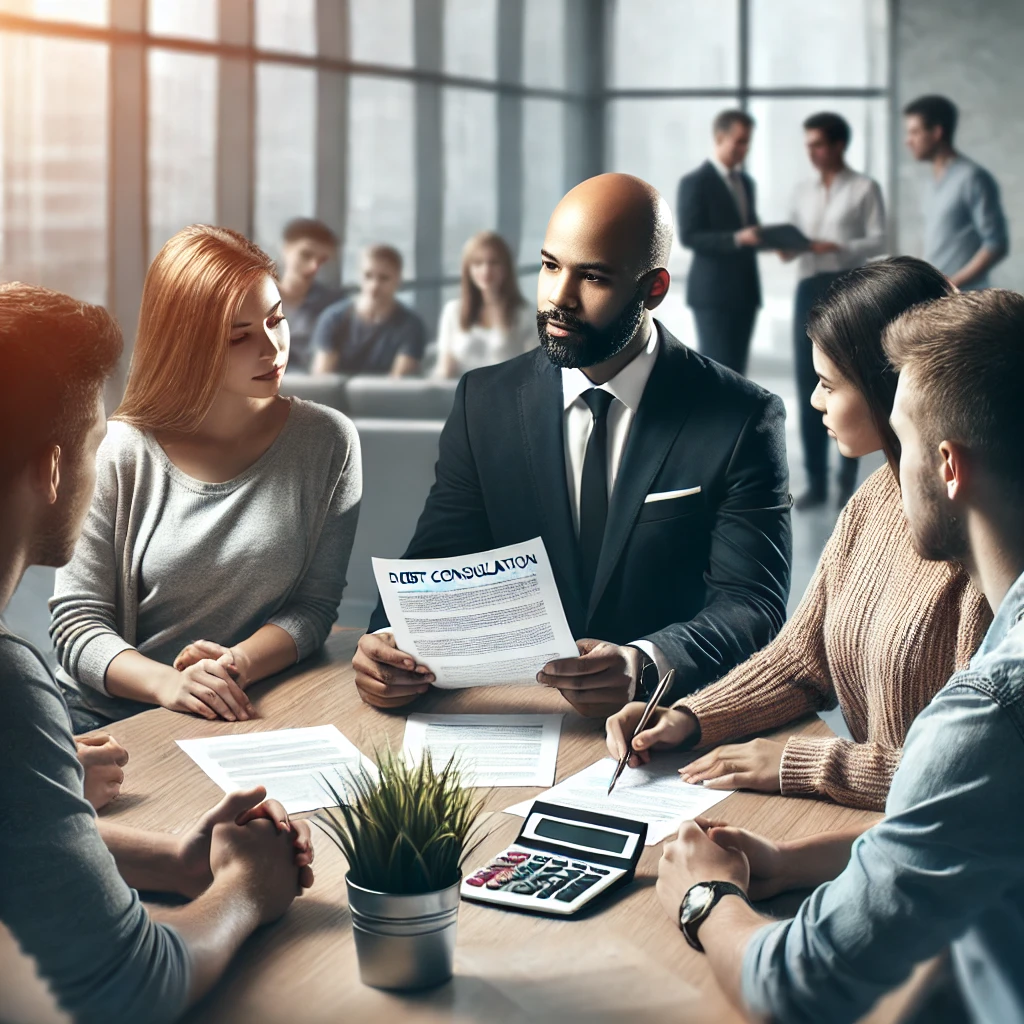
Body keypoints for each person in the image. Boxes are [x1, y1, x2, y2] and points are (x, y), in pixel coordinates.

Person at [654, 288, 1024, 1024]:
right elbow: (971, 824)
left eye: (905, 436)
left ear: (948, 465)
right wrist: (792, 861)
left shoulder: (991, 709)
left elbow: (798, 986)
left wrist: (704, 897)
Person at [353, 173, 792, 716]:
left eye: (594, 277)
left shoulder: (742, 417)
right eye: (549, 265)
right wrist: (390, 644)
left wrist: (643, 664)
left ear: (653, 289)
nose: (558, 297)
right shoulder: (483, 402)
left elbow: (752, 603)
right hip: (515, 714)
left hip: (665, 723)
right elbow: (437, 560)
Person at [0, 282, 313, 1023]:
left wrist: (173, 858)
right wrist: (245, 889)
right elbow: (128, 986)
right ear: (52, 471)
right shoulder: (9, 686)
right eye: (93, 442)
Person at [605, 257, 990, 811]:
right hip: (873, 825)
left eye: (829, 384)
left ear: (893, 386)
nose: (813, 400)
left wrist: (800, 763)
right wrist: (689, 717)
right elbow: (802, 659)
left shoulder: (983, 544)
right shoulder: (875, 497)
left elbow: (971, 772)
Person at [50, 225, 362, 731]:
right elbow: (76, 626)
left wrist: (233, 665)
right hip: (106, 721)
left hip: (238, 705)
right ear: (187, 343)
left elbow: (314, 606)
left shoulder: (328, 441)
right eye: (239, 336)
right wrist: (171, 684)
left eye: (276, 320)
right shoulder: (119, 451)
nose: (271, 347)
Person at [787, 111, 886, 510]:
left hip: (846, 284)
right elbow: (794, 234)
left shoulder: (864, 188)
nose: (812, 152)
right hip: (808, 287)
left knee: (847, 377)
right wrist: (789, 246)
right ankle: (815, 480)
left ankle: (847, 479)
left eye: (819, 144)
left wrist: (838, 248)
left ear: (839, 145)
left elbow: (880, 237)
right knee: (806, 381)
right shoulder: (801, 190)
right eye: (808, 144)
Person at [677, 109, 761, 376]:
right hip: (714, 293)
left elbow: (750, 225)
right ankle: (715, 420)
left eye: (747, 142)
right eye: (739, 141)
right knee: (717, 371)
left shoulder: (745, 182)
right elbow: (689, 235)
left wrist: (771, 239)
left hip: (745, 290)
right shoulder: (695, 182)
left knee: (738, 373)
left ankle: (739, 420)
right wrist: (737, 239)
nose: (744, 148)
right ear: (719, 137)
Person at [904, 94, 1009, 290]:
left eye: (914, 132)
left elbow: (996, 244)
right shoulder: (931, 183)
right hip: (936, 298)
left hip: (966, 301)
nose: (908, 141)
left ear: (936, 132)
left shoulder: (972, 177)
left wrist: (953, 283)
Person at [311, 243, 426, 377]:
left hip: (384, 397)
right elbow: (323, 380)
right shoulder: (333, 319)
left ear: (398, 279)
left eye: (384, 278)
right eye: (368, 276)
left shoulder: (411, 325)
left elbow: (398, 385)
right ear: (359, 277)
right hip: (334, 398)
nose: (374, 285)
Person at [434, 230, 536, 378]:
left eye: (493, 262)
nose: (486, 270)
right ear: (468, 269)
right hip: (461, 396)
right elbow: (445, 369)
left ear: (506, 267)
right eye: (478, 263)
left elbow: (536, 373)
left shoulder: (526, 314)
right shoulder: (453, 311)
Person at [275, 217, 341, 373]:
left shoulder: (332, 306)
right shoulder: (251, 297)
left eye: (322, 260)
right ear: (285, 249)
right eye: (305, 255)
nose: (313, 267)